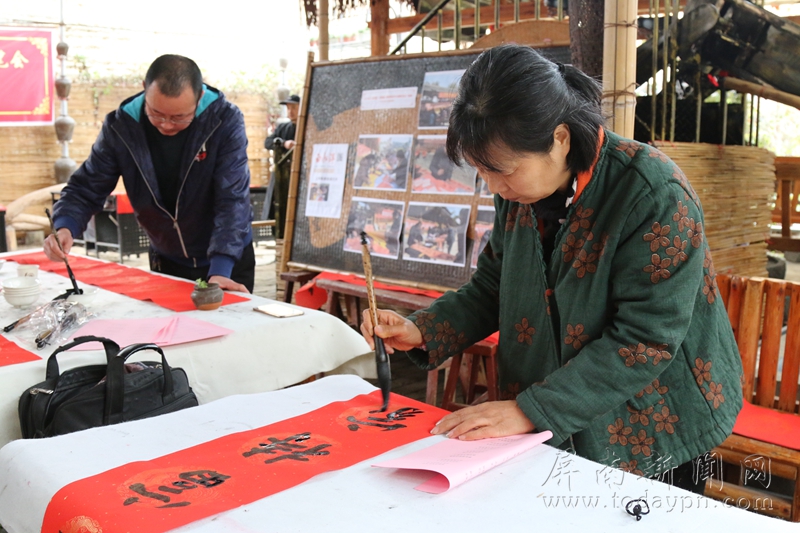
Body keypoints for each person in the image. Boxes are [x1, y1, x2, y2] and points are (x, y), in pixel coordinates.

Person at [361, 44, 743, 491]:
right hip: (553, 411)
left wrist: (529, 411)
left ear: (560, 139)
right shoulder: (518, 194)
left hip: (655, 422)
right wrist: (422, 330)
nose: (496, 188)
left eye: (503, 171)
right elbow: (493, 285)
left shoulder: (652, 193)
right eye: (484, 172)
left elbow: (646, 338)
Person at [44, 54, 254, 293]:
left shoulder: (224, 121)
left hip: (228, 261)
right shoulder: (121, 127)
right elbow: (87, 186)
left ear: (200, 97)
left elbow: (232, 198)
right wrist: (65, 227)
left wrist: (221, 269)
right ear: (144, 89)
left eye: (179, 117)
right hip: (167, 260)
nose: (166, 124)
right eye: (156, 113)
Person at [264, 94, 300, 239]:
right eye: (288, 108)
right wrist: (284, 143)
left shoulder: (309, 126)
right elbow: (267, 142)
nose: (290, 111)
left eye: (294, 108)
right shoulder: (283, 127)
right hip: (283, 178)